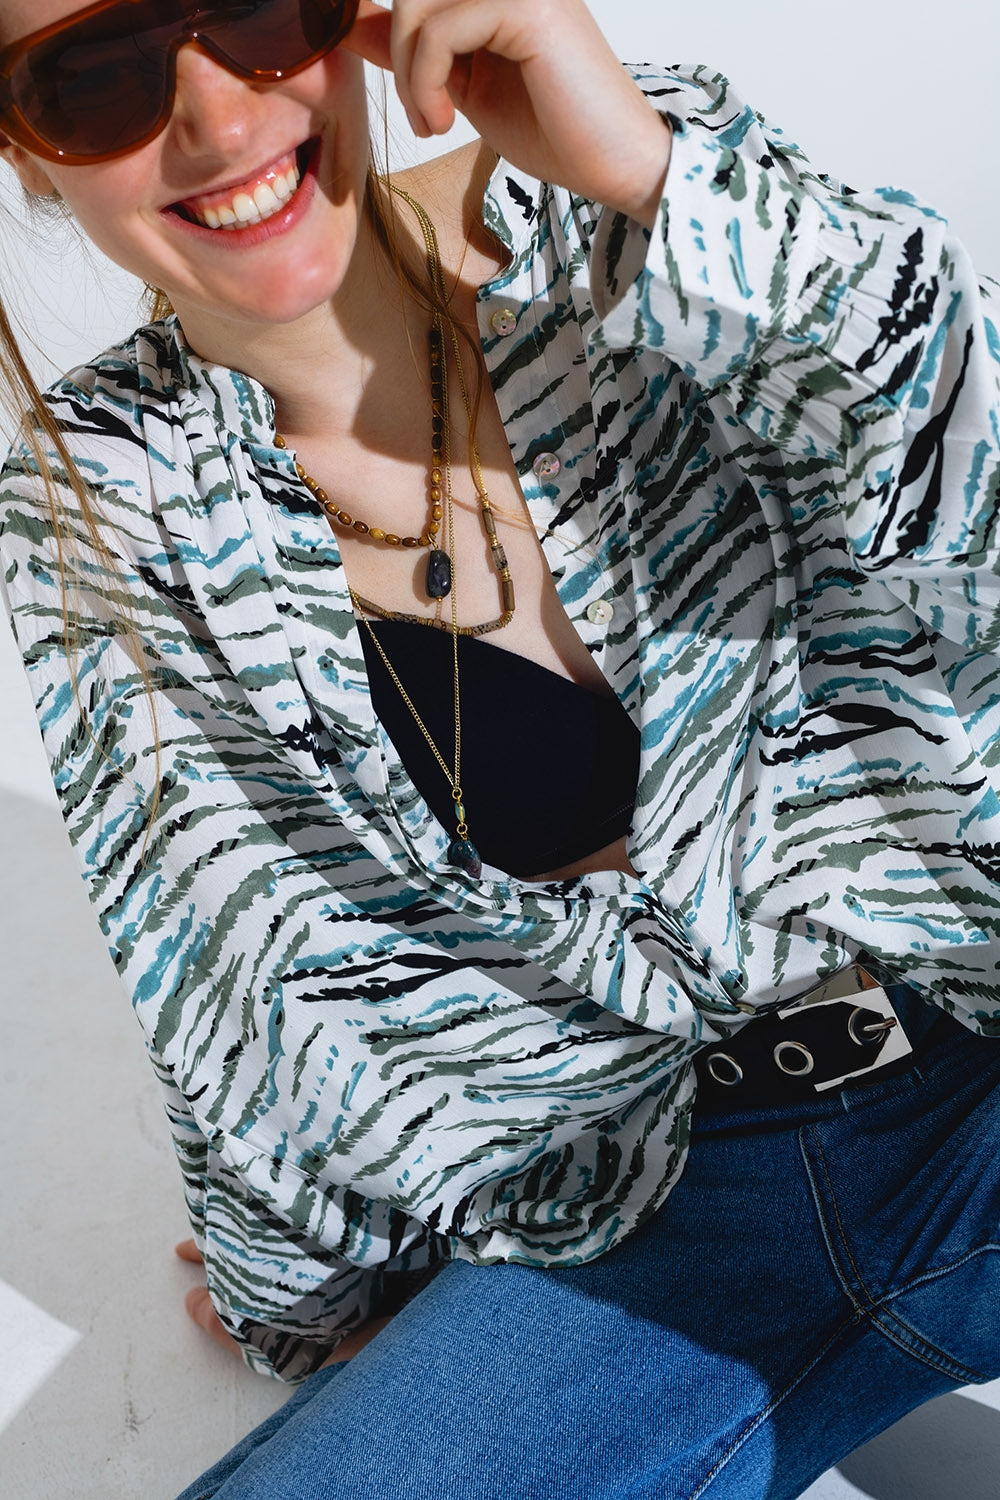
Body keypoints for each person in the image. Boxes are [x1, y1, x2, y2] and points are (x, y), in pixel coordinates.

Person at [1, 0, 999, 1495]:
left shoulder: (625, 196)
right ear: (26, 153)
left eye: (259, 11)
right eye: (98, 75)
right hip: (650, 1212)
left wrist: (661, 183)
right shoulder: (104, 501)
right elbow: (232, 973)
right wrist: (315, 1305)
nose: (214, 117)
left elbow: (966, 493)